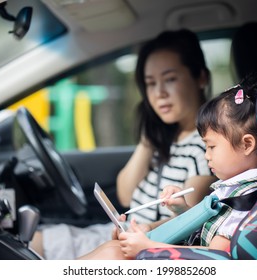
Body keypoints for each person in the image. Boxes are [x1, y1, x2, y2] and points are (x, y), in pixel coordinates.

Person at [30, 29, 216, 259]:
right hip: (124, 234)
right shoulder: (167, 137)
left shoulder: (207, 146)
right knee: (33, 240)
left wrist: (146, 231)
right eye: (150, 83)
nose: (159, 93)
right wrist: (149, 138)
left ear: (201, 77)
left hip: (144, 243)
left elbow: (187, 220)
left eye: (170, 79)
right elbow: (125, 195)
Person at [77, 74, 257, 259]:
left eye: (211, 147)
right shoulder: (236, 187)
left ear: (247, 144)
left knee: (114, 255)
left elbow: (217, 255)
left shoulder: (246, 199)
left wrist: (149, 247)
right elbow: (207, 230)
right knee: (114, 249)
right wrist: (182, 209)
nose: (206, 155)